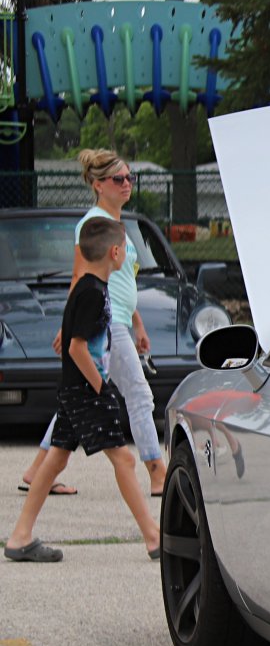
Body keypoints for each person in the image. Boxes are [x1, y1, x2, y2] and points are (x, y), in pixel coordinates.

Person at [5, 217, 162, 562]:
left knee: (56, 458)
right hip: (87, 391)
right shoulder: (92, 293)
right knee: (123, 458)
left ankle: (19, 537)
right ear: (115, 253)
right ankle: (153, 537)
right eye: (127, 251)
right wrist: (101, 387)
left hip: (75, 391)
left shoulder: (89, 288)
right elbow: (76, 348)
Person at [18, 149, 168, 497]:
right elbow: (79, 274)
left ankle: (36, 470)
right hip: (105, 322)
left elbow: (124, 279)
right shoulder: (92, 224)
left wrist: (139, 323)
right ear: (98, 185)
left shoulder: (119, 226)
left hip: (118, 319)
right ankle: (156, 469)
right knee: (139, 395)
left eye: (130, 177)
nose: (127, 183)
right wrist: (68, 326)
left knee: (77, 400)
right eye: (119, 179)